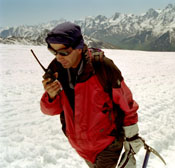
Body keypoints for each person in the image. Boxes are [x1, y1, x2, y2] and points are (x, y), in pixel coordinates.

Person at [40, 22, 143, 168]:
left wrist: (132, 135)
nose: (58, 57)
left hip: (107, 144)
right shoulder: (57, 70)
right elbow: (50, 110)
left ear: (78, 48)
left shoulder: (102, 67)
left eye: (63, 52)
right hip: (81, 147)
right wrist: (50, 96)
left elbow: (126, 102)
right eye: (53, 52)